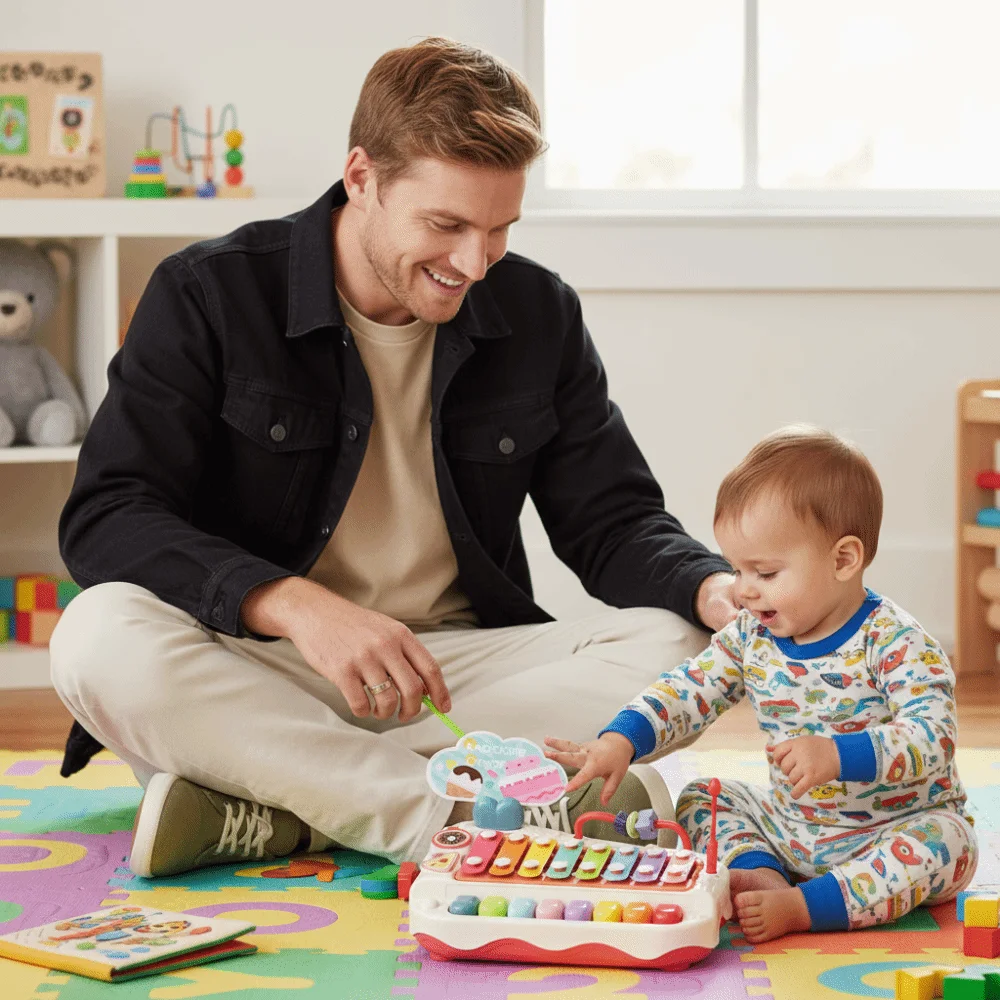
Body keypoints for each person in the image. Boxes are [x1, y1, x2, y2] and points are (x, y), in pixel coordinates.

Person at [50, 38, 736, 876]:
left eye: (499, 230)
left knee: (683, 644)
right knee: (94, 636)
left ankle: (278, 804)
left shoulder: (538, 311)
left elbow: (613, 520)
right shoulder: (209, 293)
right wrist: (294, 604)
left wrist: (714, 589)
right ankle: (447, 817)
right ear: (362, 178)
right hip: (267, 663)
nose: (474, 264)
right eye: (446, 225)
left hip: (451, 676)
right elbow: (109, 516)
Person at [545, 426, 977, 943]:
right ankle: (760, 874)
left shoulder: (895, 641)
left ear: (843, 560)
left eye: (765, 573)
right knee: (704, 796)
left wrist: (838, 755)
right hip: (791, 827)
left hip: (890, 831)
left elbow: (934, 737)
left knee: (948, 844)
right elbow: (689, 688)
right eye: (736, 569)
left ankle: (805, 906)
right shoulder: (752, 633)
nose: (744, 590)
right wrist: (621, 739)